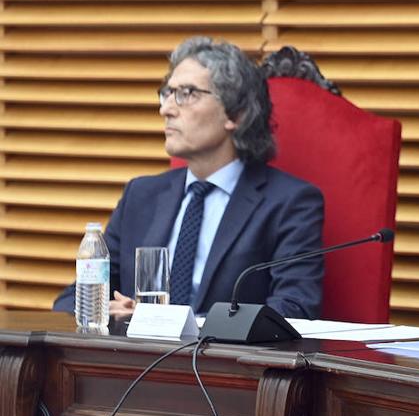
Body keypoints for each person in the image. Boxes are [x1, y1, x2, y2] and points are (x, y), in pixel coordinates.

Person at [53, 36, 324, 319]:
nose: (166, 109)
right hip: (134, 361)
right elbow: (72, 299)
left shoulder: (290, 203)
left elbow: (294, 310)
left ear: (236, 114)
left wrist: (169, 322)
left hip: (220, 362)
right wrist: (101, 310)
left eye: (187, 93)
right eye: (167, 93)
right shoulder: (140, 195)